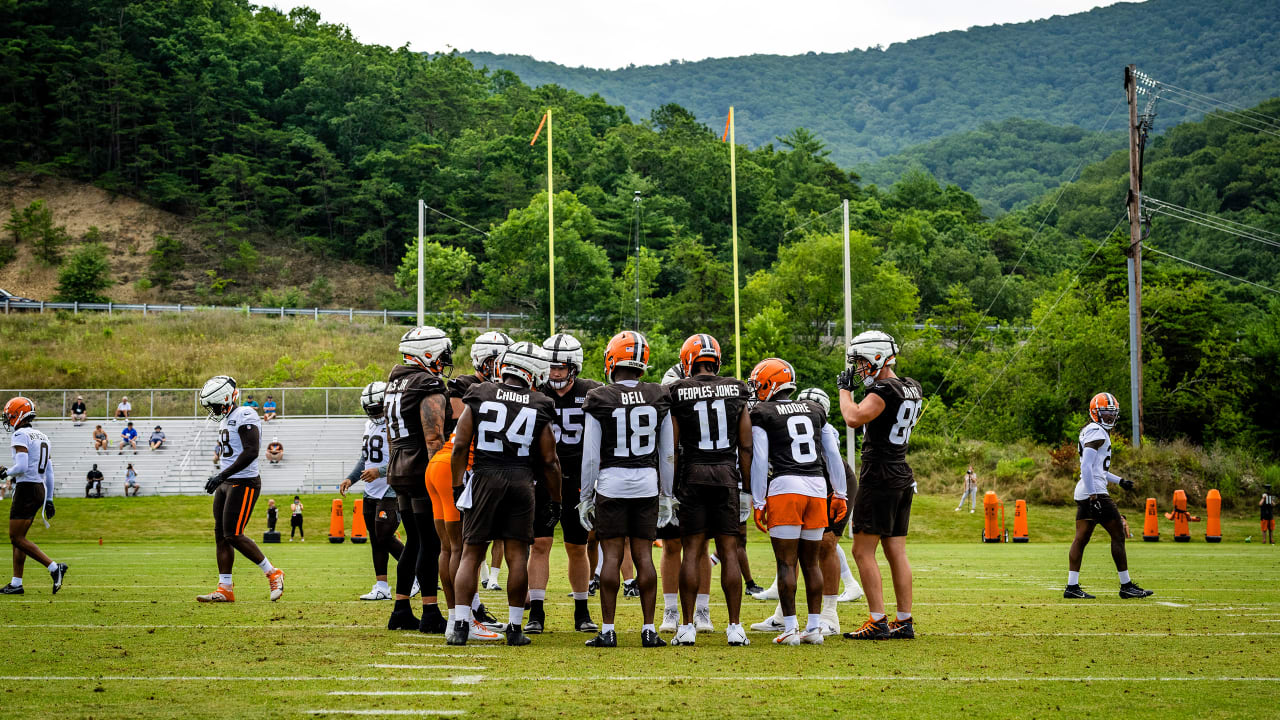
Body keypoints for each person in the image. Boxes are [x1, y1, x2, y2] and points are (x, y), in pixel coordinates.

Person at [449, 342, 561, 647]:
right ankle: (514, 628)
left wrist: (458, 485)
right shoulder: (539, 402)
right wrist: (556, 500)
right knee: (516, 556)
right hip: (521, 482)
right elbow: (550, 460)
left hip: (484, 478)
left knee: (471, 553)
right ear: (535, 372)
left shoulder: (481, 393)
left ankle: (460, 625)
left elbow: (460, 445)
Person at [578, 331, 675, 649]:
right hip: (646, 480)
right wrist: (667, 493)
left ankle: (608, 630)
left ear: (612, 359)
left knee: (611, 557)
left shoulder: (600, 396)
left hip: (611, 482)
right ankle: (649, 629)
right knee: (644, 556)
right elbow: (667, 452)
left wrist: (585, 496)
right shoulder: (659, 394)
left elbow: (590, 454)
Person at [748, 359, 846, 646]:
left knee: (786, 563)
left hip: (785, 487)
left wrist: (758, 499)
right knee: (811, 563)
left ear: (769, 383)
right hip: (816, 487)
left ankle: (790, 628)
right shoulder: (814, 409)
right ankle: (814, 628)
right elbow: (832, 453)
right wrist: (839, 492)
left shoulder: (763, 412)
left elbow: (760, 459)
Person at [666, 334, 753, 646]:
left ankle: (686, 627)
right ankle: (734, 626)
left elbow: (672, 447)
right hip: (726, 475)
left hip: (693, 474)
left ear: (689, 361)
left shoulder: (678, 390)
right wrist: (746, 488)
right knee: (729, 551)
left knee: (692, 550)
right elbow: (746, 445)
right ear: (716, 360)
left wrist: (669, 489)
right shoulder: (737, 389)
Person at [837, 330, 921, 640]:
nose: (858, 369)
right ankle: (904, 618)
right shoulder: (912, 386)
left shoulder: (885, 389)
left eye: (860, 361)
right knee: (895, 549)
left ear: (876, 357)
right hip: (901, 472)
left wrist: (844, 392)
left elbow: (854, 417)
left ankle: (877, 619)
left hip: (880, 474)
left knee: (862, 550)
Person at [433, 332, 511, 640]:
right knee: (463, 549)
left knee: (457, 548)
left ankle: (467, 612)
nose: (500, 366)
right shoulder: (467, 387)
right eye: (494, 360)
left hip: (448, 463)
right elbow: (458, 424)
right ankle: (460, 619)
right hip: (458, 466)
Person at [383, 326, 450, 633]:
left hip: (398, 464)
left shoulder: (394, 382)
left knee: (413, 540)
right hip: (420, 467)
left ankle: (400, 609)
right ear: (428, 351)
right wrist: (442, 472)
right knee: (429, 540)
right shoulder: (427, 383)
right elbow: (434, 436)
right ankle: (430, 611)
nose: (445, 359)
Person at [196, 375, 284, 603]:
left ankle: (273, 573)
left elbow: (251, 451)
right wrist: (222, 477)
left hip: (244, 482)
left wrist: (222, 475)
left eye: (215, 405)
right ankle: (225, 588)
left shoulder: (245, 414)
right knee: (221, 535)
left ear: (226, 399)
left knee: (233, 534)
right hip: (227, 482)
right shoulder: (227, 418)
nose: (213, 410)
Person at [535, 332, 602, 634]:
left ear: (574, 366)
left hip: (578, 479)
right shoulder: (535, 392)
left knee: (578, 546)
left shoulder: (593, 393)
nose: (556, 373)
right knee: (540, 544)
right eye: (551, 366)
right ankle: (536, 613)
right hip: (542, 479)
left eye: (562, 367)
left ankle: (582, 611)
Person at [1064, 392, 1153, 601]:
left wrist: (1119, 481)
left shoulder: (1092, 430)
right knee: (1118, 534)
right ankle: (1126, 585)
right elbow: (1086, 466)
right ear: (1095, 412)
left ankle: (1071, 586)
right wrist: (1094, 496)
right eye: (1105, 412)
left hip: (1086, 489)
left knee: (1082, 538)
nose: (1110, 417)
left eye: (1112, 413)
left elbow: (1097, 468)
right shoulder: (1097, 431)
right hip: (1094, 491)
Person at [340, 381, 406, 601]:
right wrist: (351, 478)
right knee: (376, 539)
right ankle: (381, 586)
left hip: (391, 488)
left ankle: (415, 573)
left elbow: (404, 458)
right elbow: (365, 457)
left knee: (384, 535)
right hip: (371, 491)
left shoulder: (398, 424)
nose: (375, 414)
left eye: (378, 409)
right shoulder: (368, 425)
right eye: (371, 410)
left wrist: (379, 471)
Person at [0, 397, 68, 596]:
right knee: (20, 538)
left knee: (16, 537)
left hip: (27, 488)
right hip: (39, 488)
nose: (8, 419)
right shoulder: (42, 436)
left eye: (10, 415)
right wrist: (49, 499)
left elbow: (21, 467)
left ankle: (55, 568)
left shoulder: (21, 434)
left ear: (19, 414)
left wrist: (5, 473)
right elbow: (49, 471)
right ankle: (16, 583)